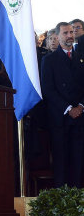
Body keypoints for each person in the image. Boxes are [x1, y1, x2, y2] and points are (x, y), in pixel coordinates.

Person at [41, 22, 84, 188]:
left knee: (78, 162)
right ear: (57, 36)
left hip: (80, 118)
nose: (69, 36)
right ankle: (62, 203)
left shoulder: (81, 56)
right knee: (61, 163)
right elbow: (48, 89)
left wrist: (80, 106)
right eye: (65, 33)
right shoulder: (49, 60)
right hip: (60, 119)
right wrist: (68, 109)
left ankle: (79, 203)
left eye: (71, 32)